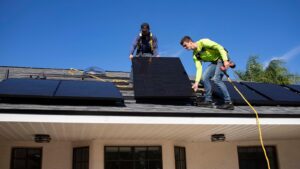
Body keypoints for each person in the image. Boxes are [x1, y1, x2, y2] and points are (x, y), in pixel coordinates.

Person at [180, 36, 234, 110]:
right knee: (205, 77)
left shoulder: (203, 42)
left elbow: (220, 47)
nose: (185, 48)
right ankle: (208, 101)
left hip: (222, 57)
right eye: (183, 47)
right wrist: (196, 83)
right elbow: (199, 69)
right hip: (214, 62)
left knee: (217, 79)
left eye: (185, 45)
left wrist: (225, 60)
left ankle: (228, 102)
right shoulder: (195, 55)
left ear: (190, 42)